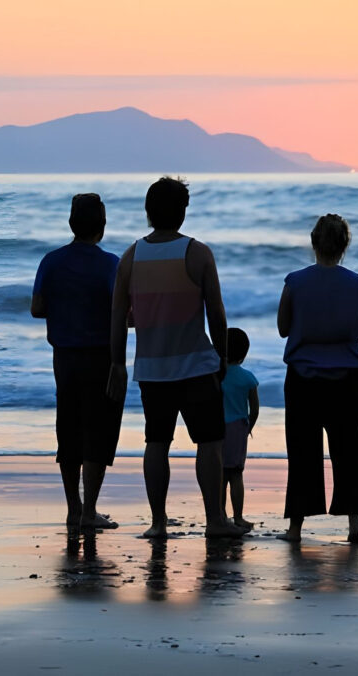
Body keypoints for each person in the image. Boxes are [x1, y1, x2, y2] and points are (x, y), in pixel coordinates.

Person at [107, 176, 245, 539]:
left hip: (152, 368)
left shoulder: (131, 256)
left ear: (148, 212)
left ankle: (158, 522)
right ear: (183, 212)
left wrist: (117, 364)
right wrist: (223, 357)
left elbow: (119, 315)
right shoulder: (197, 253)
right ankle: (215, 519)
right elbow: (217, 314)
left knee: (156, 443)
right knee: (210, 443)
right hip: (197, 365)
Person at [277, 214, 358, 543]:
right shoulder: (357, 283)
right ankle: (355, 526)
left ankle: (295, 528)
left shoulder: (294, 282)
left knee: (303, 451)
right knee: (349, 451)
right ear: (345, 244)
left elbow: (282, 328)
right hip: (348, 378)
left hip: (303, 378)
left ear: (313, 242)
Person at [31, 193, 123, 532]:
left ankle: (74, 507)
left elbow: (37, 308)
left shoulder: (51, 261)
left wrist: (67, 308)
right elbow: (120, 313)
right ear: (101, 226)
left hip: (64, 357)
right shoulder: (110, 263)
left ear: (72, 223)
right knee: (98, 430)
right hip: (100, 356)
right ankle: (90, 510)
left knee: (68, 429)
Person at [220, 327, 260, 531]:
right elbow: (255, 409)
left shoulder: (216, 376)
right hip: (238, 428)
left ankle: (220, 516)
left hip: (217, 429)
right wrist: (248, 427)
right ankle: (238, 517)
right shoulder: (248, 378)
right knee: (236, 475)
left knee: (219, 475)